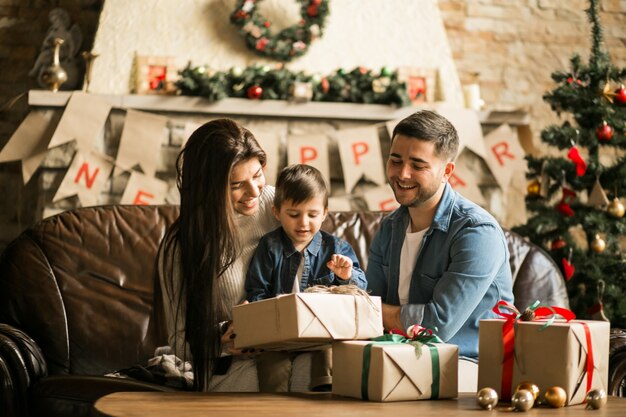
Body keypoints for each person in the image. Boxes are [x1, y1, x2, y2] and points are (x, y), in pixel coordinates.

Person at [366, 110, 514, 360]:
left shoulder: (477, 233)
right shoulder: (390, 228)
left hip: (471, 369)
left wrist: (373, 312)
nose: (402, 174)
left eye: (418, 165)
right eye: (396, 160)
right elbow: (366, 304)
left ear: (447, 171)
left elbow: (436, 327)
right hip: (402, 358)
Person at [157, 118, 280, 392]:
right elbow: (179, 340)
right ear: (208, 188)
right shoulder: (183, 244)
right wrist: (224, 339)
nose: (254, 192)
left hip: (290, 352)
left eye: (257, 174)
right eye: (237, 184)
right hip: (232, 369)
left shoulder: (277, 204)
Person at [245, 163, 367, 392]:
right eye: (293, 214)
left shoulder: (336, 247)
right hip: (278, 332)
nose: (303, 223)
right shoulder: (269, 246)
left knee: (328, 356)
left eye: (312, 215)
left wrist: (345, 276)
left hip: (321, 332)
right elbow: (256, 291)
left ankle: (324, 401)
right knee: (272, 369)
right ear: (276, 212)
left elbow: (361, 291)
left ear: (325, 213)